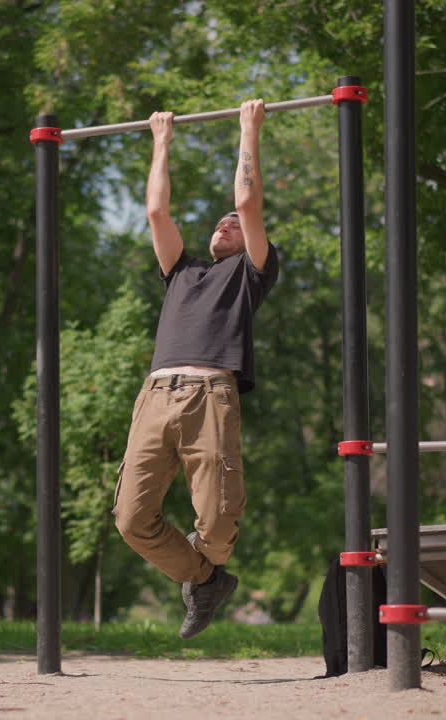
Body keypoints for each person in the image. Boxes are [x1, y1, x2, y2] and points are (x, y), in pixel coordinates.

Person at [112, 99, 279, 639]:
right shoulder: (180, 271)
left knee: (218, 521)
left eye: (234, 222)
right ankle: (206, 581)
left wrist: (248, 129)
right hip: (156, 395)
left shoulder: (250, 275)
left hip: (211, 393)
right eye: (220, 222)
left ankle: (208, 569)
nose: (227, 221)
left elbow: (248, 202)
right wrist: (160, 140)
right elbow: (157, 212)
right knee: (131, 519)